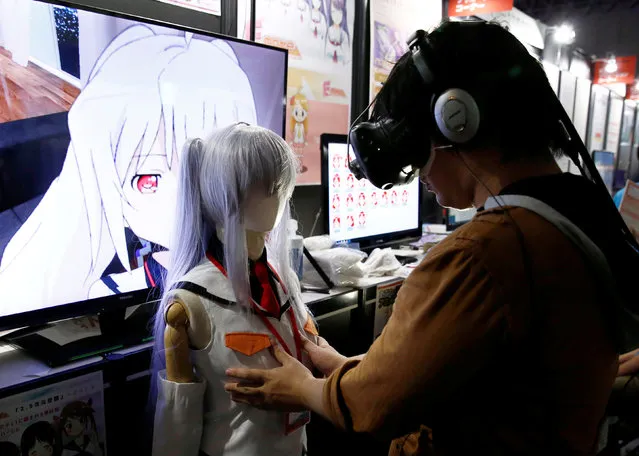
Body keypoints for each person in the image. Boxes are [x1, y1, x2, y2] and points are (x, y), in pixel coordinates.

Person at [225, 21, 627, 455]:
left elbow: (373, 409)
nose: (422, 177)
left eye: (417, 149)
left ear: (458, 121)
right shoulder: (578, 213)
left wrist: (304, 388)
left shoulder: (484, 254)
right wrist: (349, 369)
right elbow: (471, 375)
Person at [0, 26, 257, 315]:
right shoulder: (111, 290)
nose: (178, 200)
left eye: (202, 172)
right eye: (147, 180)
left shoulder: (248, 276)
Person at [151, 124, 320, 456]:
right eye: (268, 184)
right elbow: (178, 422)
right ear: (229, 193)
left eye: (280, 182)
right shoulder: (189, 304)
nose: (281, 192)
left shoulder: (284, 281)